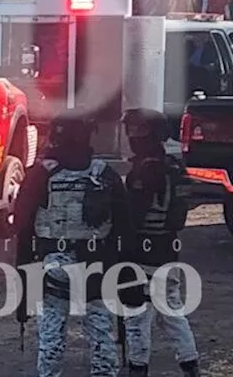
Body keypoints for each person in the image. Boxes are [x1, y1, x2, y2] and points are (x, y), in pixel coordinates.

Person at [12, 114, 134, 377]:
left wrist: (24, 291)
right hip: (97, 269)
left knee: (51, 341)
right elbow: (125, 230)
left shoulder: (40, 175)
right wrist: (123, 276)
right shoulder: (106, 174)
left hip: (52, 268)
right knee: (101, 337)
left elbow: (23, 231)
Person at [121, 108, 200, 377]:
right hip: (168, 247)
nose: (132, 136)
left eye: (137, 131)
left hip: (143, 248)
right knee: (172, 311)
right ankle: (190, 364)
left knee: (136, 312)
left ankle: (138, 367)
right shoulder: (174, 166)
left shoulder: (146, 170)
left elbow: (133, 214)